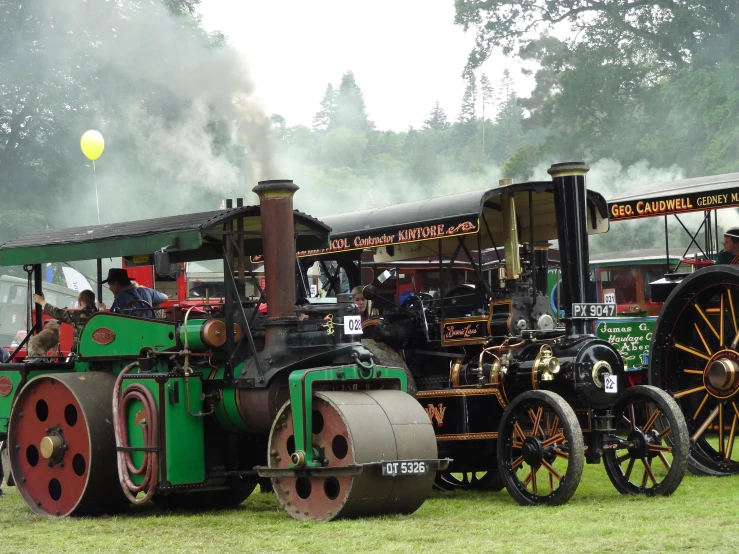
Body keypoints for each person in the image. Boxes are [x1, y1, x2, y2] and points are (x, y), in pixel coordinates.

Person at [33, 289, 99, 347]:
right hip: (98, 352)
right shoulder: (99, 315)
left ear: (80, 302)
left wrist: (42, 302)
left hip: (82, 354)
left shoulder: (78, 315)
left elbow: (58, 313)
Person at [101, 268, 168, 318]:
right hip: (149, 331)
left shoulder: (120, 298)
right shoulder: (146, 291)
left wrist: (101, 310)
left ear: (116, 284)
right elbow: (165, 297)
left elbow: (110, 322)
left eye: (109, 285)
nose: (109, 288)